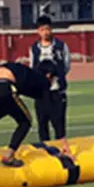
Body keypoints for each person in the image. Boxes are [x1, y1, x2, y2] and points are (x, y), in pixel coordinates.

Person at [0, 60, 70, 166]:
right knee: (26, 121)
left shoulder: (22, 70)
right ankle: (9, 155)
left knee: (7, 105)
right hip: (3, 88)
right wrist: (63, 142)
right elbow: (53, 112)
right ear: (49, 75)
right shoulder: (43, 81)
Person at [29, 15, 71, 143]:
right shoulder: (34, 49)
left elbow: (66, 65)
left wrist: (55, 75)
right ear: (38, 31)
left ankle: (62, 152)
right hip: (41, 93)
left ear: (51, 29)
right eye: (42, 30)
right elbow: (32, 67)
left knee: (59, 125)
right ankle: (46, 152)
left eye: (47, 29)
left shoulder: (61, 46)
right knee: (42, 125)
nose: (45, 32)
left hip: (57, 91)